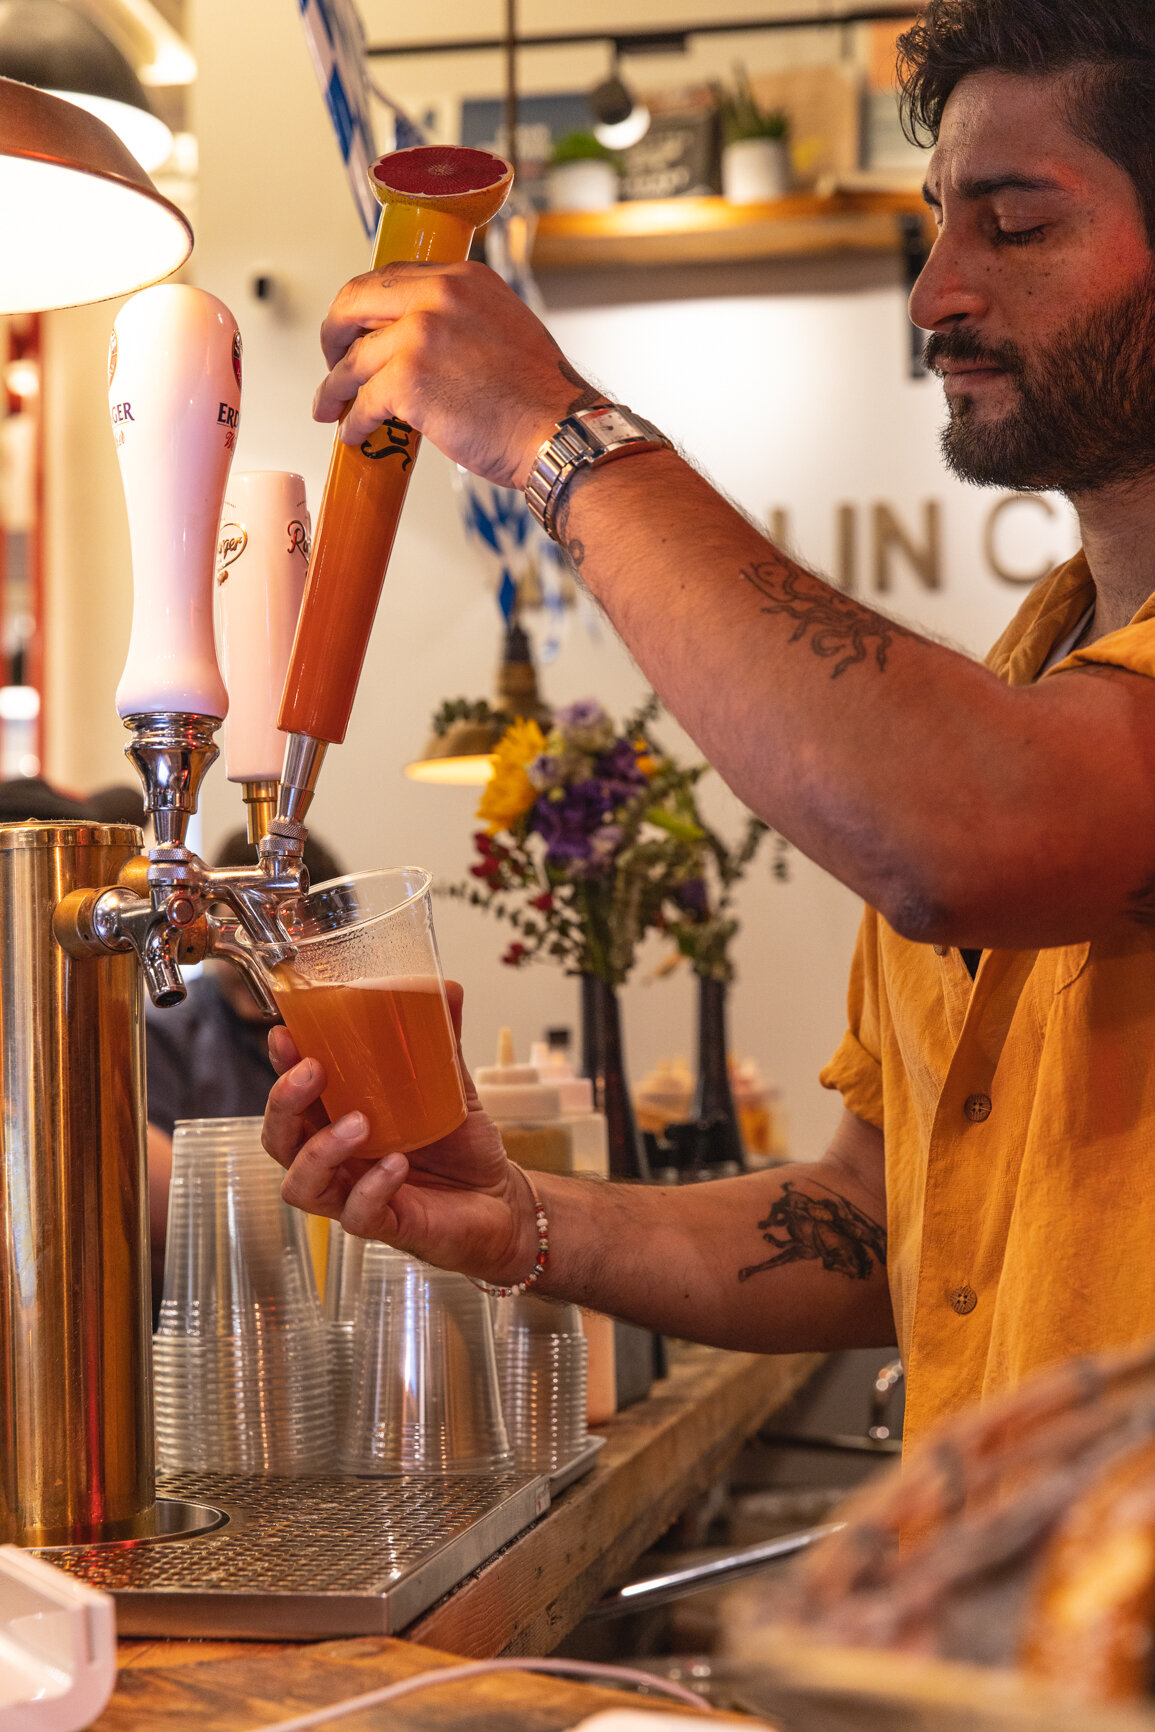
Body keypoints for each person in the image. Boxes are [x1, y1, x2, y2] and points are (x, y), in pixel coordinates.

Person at [263, 0, 1155, 1454]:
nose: (932, 292)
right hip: (1003, 1656)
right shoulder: (1022, 675)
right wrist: (520, 1218)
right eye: (935, 226)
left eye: (1011, 226)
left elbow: (972, 832)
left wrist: (556, 435)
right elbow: (875, 1220)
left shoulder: (984, 775)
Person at [146, 828, 344, 1294]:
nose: (252, 961)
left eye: (277, 936)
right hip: (210, 1308)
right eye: (234, 933)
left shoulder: (342, 1033)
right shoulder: (169, 1033)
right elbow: (165, 1207)